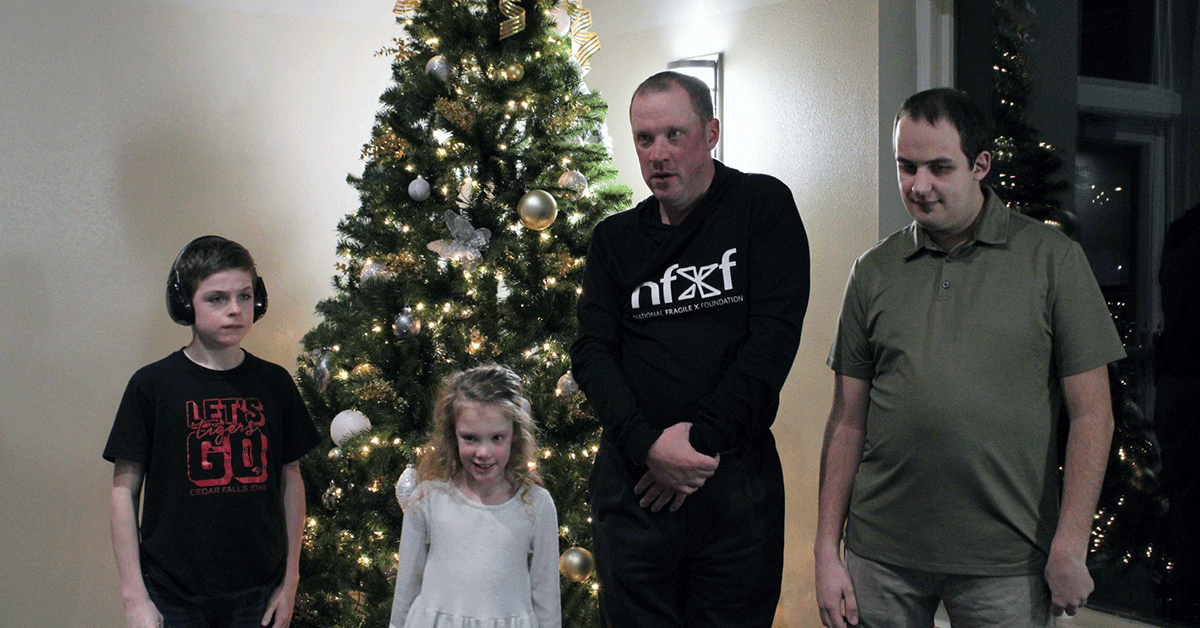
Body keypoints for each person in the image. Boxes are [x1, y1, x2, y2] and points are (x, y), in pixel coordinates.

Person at [814, 87, 1127, 628]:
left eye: (940, 167)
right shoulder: (874, 270)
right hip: (880, 555)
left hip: (1007, 562)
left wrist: (1071, 543)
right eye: (906, 166)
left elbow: (1093, 415)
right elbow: (847, 421)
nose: (919, 185)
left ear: (980, 165)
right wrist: (824, 552)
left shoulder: (1052, 261)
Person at [570, 71, 810, 627]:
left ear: (712, 132)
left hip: (733, 487)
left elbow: (771, 342)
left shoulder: (760, 205)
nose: (658, 154)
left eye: (675, 135)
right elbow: (592, 353)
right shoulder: (613, 240)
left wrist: (693, 447)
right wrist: (648, 447)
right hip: (634, 491)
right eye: (644, 139)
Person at [104, 235, 321, 628]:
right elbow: (124, 492)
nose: (236, 310)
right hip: (172, 595)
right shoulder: (151, 386)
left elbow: (291, 481)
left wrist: (290, 582)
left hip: (257, 595)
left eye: (245, 295)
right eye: (217, 298)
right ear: (185, 304)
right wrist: (134, 596)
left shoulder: (275, 384)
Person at [388, 364, 561, 628]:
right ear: (452, 435)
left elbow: (547, 601)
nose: (483, 452)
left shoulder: (536, 504)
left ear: (515, 435)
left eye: (497, 438)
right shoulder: (427, 499)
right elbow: (406, 589)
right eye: (470, 438)